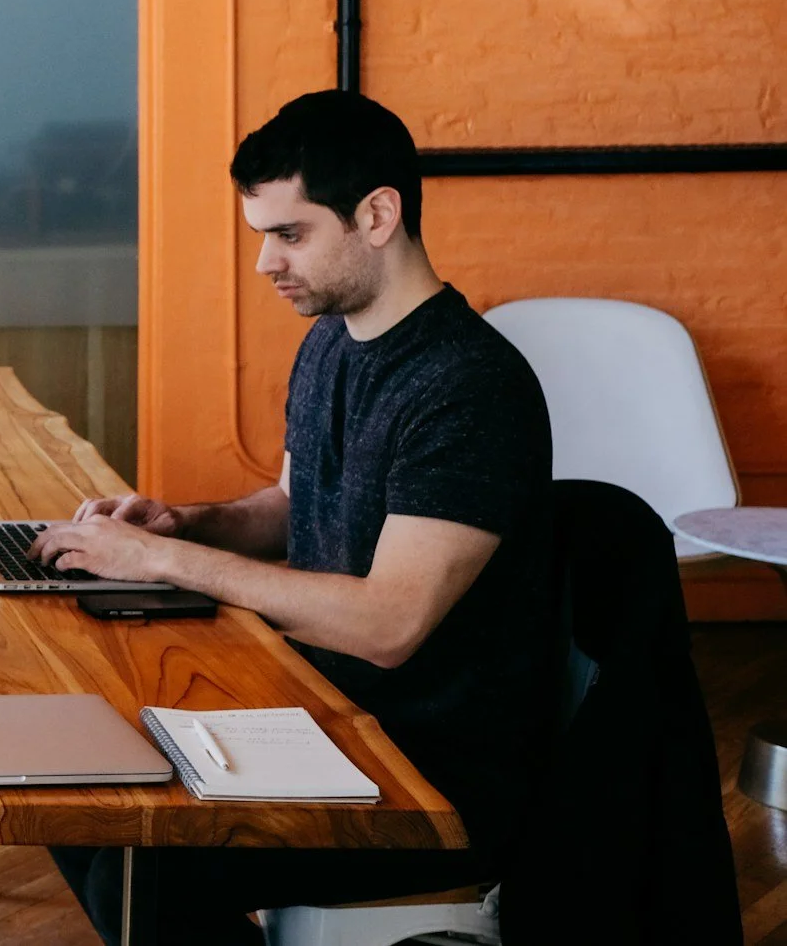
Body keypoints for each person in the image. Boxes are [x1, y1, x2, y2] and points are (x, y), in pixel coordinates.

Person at [30, 90, 555, 945]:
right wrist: (180, 525)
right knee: (83, 803)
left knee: (143, 864)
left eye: (291, 234)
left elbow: (389, 622)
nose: (268, 263)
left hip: (430, 770)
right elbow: (290, 506)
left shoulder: (470, 386)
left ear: (378, 214)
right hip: (322, 712)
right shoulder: (332, 339)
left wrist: (163, 565)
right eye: (262, 236)